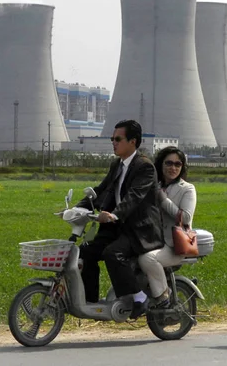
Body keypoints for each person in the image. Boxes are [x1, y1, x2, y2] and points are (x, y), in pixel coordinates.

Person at [75, 120, 164, 319]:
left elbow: (134, 197)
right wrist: (77, 208)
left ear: (133, 141)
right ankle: (91, 302)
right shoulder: (117, 164)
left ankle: (140, 297)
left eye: (117, 139)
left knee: (112, 253)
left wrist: (114, 214)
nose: (113, 143)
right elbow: (101, 190)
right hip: (118, 228)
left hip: (139, 230)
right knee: (85, 251)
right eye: (112, 139)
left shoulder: (145, 167)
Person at [138, 147, 197, 307]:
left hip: (174, 246)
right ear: (161, 165)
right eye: (169, 163)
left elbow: (185, 217)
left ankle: (164, 297)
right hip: (150, 240)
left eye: (178, 164)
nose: (173, 168)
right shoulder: (154, 185)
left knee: (147, 259)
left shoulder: (187, 189)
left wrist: (164, 200)